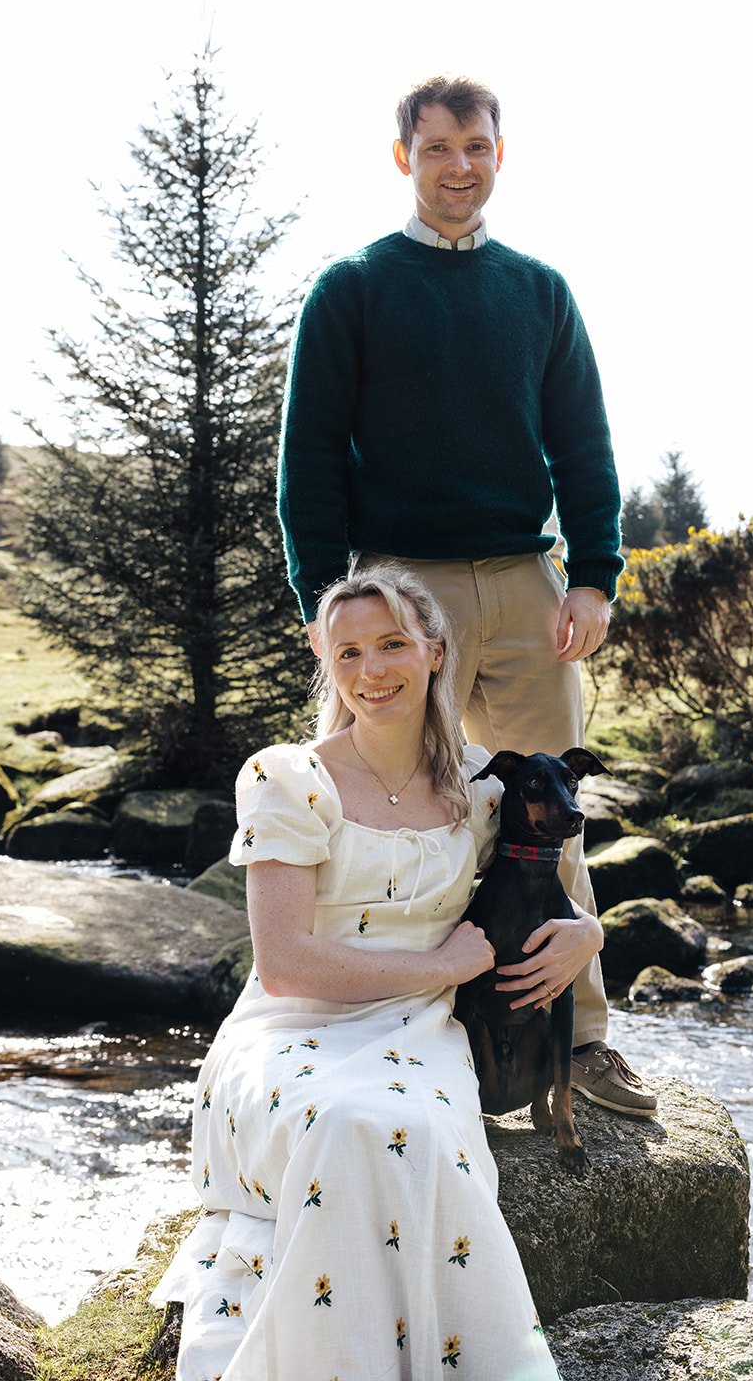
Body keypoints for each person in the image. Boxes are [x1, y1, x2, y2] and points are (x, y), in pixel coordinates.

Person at [276, 74, 655, 1117]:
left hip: (526, 592)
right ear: (403, 157)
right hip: (400, 597)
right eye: (435, 148)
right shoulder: (350, 288)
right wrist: (325, 602)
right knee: (390, 812)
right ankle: (390, 1029)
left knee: (551, 826)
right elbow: (305, 457)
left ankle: (578, 1041)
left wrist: (590, 575)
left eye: (474, 147)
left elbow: (583, 445)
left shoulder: (538, 292)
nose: (456, 166)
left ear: (499, 154)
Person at [153, 566, 603, 1378]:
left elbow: (543, 886)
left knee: (416, 1133)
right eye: (348, 650)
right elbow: (285, 965)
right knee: (338, 1121)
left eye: (392, 644)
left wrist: (589, 933)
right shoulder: (287, 778)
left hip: (423, 1029)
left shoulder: (481, 785)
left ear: (434, 651)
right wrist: (440, 962)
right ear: (327, 661)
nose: (371, 670)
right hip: (289, 1030)